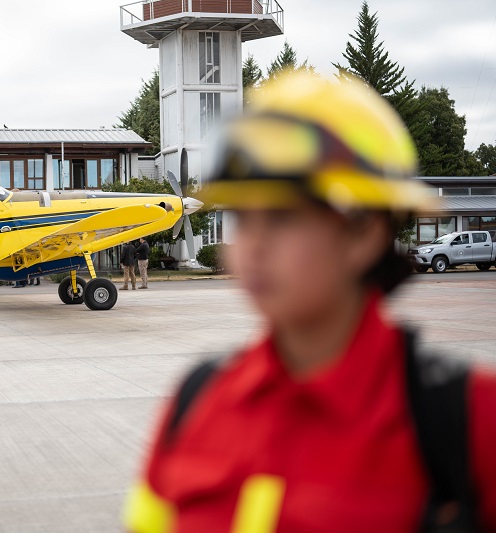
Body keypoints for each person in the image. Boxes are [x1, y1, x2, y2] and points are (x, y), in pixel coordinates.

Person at [124, 73, 496, 532]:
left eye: (281, 217)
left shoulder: (469, 420)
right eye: (242, 216)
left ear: (365, 232)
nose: (252, 246)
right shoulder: (196, 400)